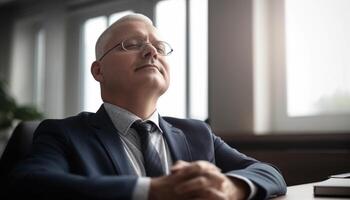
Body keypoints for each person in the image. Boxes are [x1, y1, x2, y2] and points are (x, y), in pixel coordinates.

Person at [9, 14, 286, 200]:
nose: (151, 51)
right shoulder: (63, 133)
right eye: (131, 44)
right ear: (98, 71)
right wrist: (151, 190)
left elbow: (268, 172)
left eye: (159, 47)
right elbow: (29, 183)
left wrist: (231, 186)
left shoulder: (196, 133)